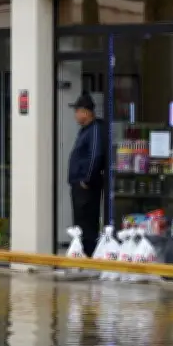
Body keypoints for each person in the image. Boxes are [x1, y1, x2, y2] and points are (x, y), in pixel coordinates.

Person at [68, 92, 106, 257]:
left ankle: (88, 256)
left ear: (85, 112)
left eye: (77, 111)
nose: (75, 115)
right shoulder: (85, 131)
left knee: (87, 224)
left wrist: (87, 180)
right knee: (80, 224)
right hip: (79, 185)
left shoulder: (95, 130)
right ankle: (81, 255)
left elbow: (95, 156)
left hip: (87, 187)